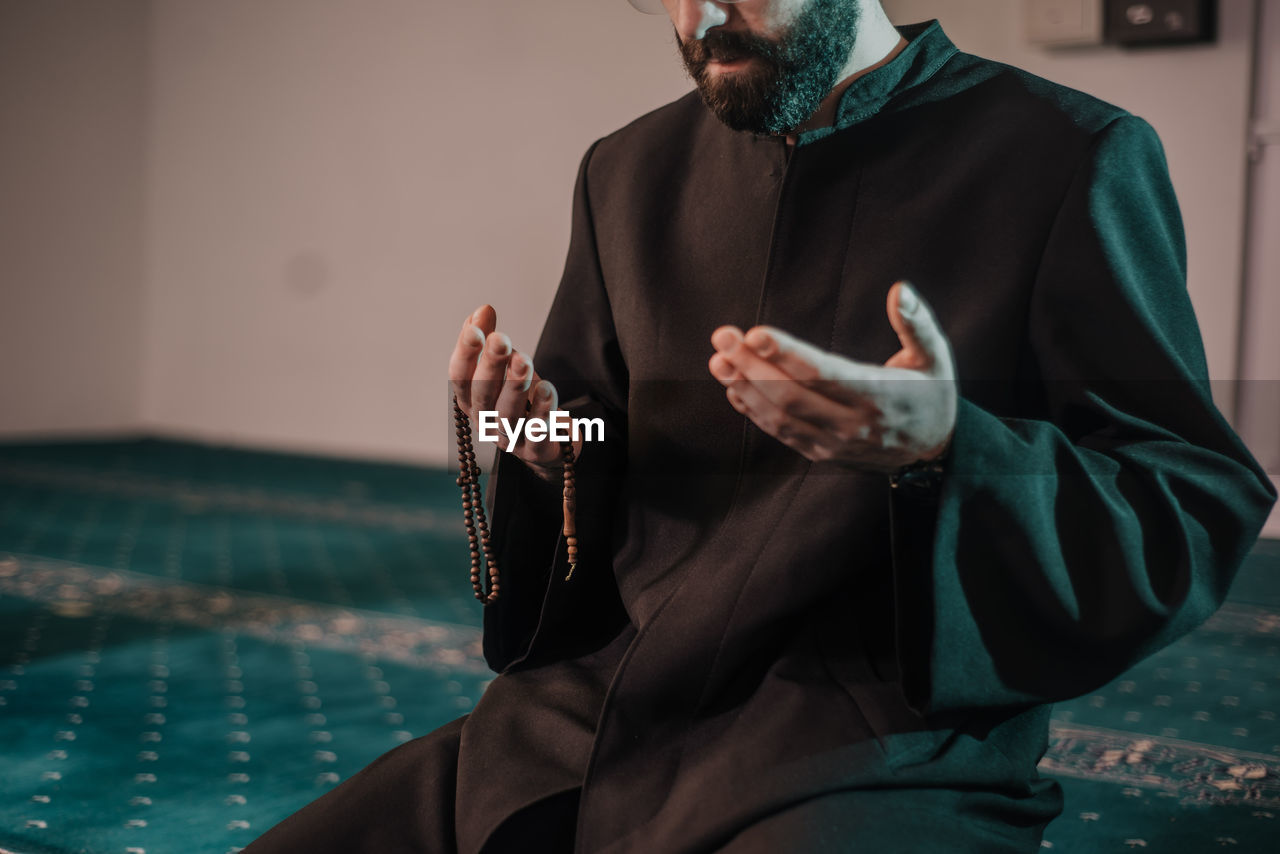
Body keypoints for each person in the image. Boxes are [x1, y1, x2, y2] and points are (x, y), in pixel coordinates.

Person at [246, 1, 1277, 851]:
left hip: (864, 740)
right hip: (604, 709)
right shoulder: (626, 172)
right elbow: (621, 437)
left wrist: (943, 448)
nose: (698, 19)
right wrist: (554, 444)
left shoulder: (1066, 156)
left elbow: (1183, 490)